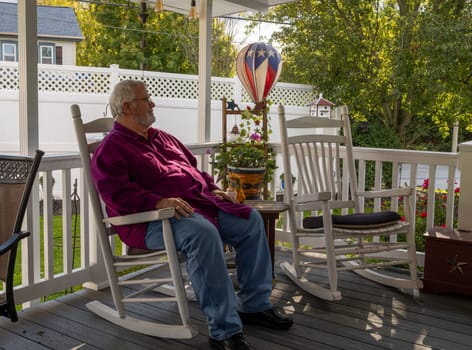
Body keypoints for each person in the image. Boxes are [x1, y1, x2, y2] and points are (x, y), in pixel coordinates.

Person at [91, 80, 293, 350]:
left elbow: (193, 170)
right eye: (147, 99)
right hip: (150, 221)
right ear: (127, 107)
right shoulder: (111, 148)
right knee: (203, 234)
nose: (152, 103)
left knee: (250, 220)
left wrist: (213, 189)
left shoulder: (161, 137)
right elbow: (116, 195)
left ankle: (255, 305)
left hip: (200, 205)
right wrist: (158, 201)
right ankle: (224, 331)